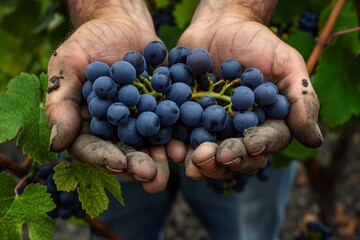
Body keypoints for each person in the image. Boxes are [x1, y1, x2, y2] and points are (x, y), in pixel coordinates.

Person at [45, 0, 323, 239]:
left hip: (220, 58)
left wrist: (237, 10)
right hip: (128, 131)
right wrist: (106, 9)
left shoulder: (232, 100)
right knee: (122, 220)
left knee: (246, 227)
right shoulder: (126, 95)